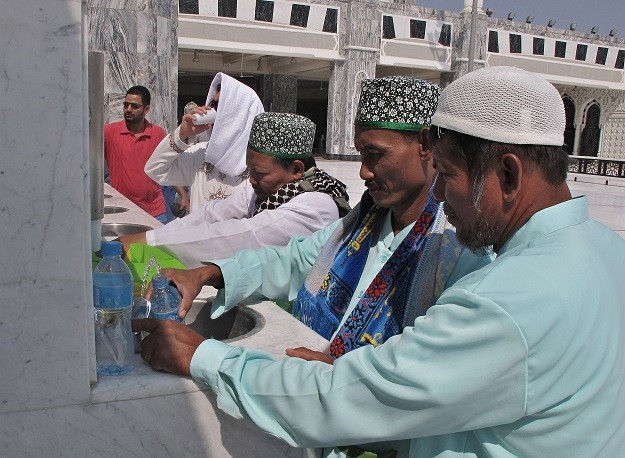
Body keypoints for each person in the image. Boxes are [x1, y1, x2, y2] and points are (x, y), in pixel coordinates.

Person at [134, 67, 625, 456]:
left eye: (447, 175)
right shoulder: (607, 251)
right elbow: (299, 258)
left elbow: (358, 397)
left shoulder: (498, 289)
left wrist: (204, 358)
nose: (440, 192)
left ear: (508, 173)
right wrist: (215, 271)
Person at [119, 112, 351, 268]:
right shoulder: (266, 190)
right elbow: (213, 214)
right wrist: (147, 238)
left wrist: (150, 240)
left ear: (296, 169)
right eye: (249, 171)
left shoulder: (316, 207)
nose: (251, 180)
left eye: (259, 173)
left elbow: (241, 235)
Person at [145, 73, 264, 213]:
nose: (212, 111)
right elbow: (155, 170)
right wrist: (182, 134)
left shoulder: (260, 167)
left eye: (220, 106)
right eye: (212, 104)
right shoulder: (201, 155)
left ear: (239, 113)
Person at [104, 85, 182, 224]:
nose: (128, 109)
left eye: (134, 106)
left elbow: (169, 167)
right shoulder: (109, 132)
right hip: (121, 212)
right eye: (126, 105)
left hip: (154, 212)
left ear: (146, 109)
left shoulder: (158, 134)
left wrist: (183, 196)